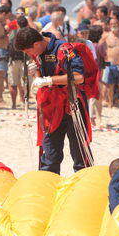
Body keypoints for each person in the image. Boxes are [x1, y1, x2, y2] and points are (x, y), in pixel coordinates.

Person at [15, 27, 92, 174]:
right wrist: (35, 74)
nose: (28, 55)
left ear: (36, 44)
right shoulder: (37, 52)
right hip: (50, 107)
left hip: (72, 107)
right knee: (49, 155)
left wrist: (49, 80)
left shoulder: (64, 49)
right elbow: (40, 79)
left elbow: (78, 77)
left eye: (27, 52)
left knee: (80, 154)